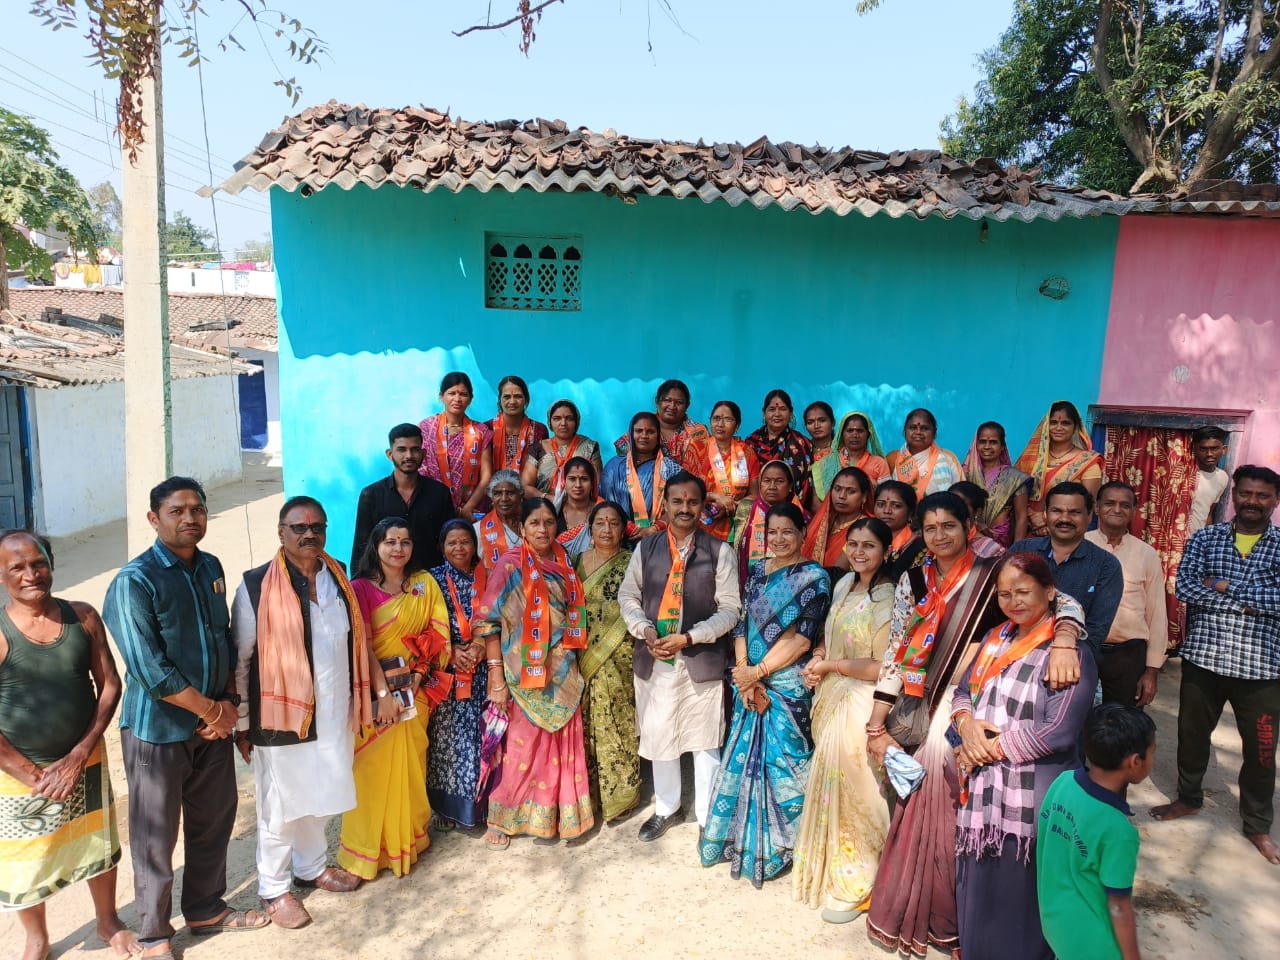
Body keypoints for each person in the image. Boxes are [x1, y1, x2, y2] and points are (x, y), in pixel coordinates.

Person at [861, 493, 1085, 956]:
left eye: (949, 525)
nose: (939, 536)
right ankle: (925, 911)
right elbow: (898, 650)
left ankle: (956, 918)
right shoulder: (914, 580)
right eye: (930, 528)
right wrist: (876, 724)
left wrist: (1065, 639)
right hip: (921, 699)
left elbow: (1062, 601)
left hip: (976, 693)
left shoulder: (993, 574)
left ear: (970, 526)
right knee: (912, 798)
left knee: (944, 796)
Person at [104, 478, 268, 958]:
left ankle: (205, 908)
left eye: (197, 509)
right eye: (177, 511)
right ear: (154, 519)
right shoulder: (134, 581)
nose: (190, 518)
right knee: (155, 836)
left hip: (213, 727)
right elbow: (149, 668)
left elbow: (223, 639)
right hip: (158, 731)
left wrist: (228, 705)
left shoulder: (210, 566)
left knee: (213, 820)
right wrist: (212, 710)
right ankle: (155, 934)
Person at [230, 497, 374, 929]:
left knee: (324, 794)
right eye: (299, 527)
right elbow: (241, 661)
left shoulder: (338, 576)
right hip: (281, 716)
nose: (309, 534)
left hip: (334, 712)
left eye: (317, 527)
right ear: (281, 532)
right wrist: (242, 723)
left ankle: (311, 867)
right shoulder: (256, 586)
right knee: (282, 805)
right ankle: (274, 889)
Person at [951, 552, 1098, 960]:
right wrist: (966, 725)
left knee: (1021, 888)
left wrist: (987, 748)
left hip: (1034, 792)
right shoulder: (995, 637)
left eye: (1023, 592)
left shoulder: (1069, 653)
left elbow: (1059, 730)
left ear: (1050, 592)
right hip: (983, 785)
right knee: (979, 877)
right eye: (1004, 594)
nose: (1013, 602)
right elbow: (963, 692)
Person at [0, 531, 139, 960]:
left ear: (52, 563)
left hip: (86, 760)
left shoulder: (83, 617)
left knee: (97, 843)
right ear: (1, 576)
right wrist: (33, 774)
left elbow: (110, 684)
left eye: (38, 563)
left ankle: (108, 921)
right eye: (17, 568)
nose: (30, 574)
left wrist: (80, 755)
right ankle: (37, 939)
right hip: (20, 774)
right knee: (24, 861)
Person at [1153, 464, 1280, 865]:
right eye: (1246, 493)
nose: (1252, 502)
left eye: (1262, 495)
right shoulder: (1206, 538)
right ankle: (1188, 798)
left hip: (1261, 668)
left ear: (1275, 501)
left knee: (1261, 749)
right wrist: (1253, 599)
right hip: (1204, 660)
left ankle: (1257, 824)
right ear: (1234, 496)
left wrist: (1222, 585)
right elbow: (1186, 586)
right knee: (1192, 736)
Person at [701, 502, 830, 885]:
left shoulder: (814, 578)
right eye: (772, 532)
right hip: (750, 678)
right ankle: (744, 841)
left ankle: (786, 846)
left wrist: (757, 673)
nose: (779, 538)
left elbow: (802, 640)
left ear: (803, 533)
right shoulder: (758, 571)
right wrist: (745, 674)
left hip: (785, 684)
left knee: (784, 763)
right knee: (743, 761)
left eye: (787, 531)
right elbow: (741, 624)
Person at [618, 472, 741, 841]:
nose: (685, 508)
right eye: (677, 501)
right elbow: (628, 596)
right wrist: (645, 630)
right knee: (660, 736)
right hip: (655, 657)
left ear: (703, 506)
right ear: (665, 505)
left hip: (699, 659)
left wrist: (689, 637)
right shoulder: (646, 549)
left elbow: (731, 609)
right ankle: (667, 808)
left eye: (692, 502)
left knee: (704, 742)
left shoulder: (720, 551)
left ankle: (707, 818)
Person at [474, 497, 595, 847]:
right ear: (522, 528)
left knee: (560, 745)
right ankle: (503, 817)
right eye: (534, 523)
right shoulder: (509, 566)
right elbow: (488, 623)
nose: (543, 529)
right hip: (521, 669)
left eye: (549, 522)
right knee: (521, 747)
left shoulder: (565, 563)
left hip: (563, 668)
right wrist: (496, 676)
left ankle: (558, 816)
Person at [792, 518, 896, 922]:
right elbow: (829, 634)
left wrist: (830, 666)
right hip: (832, 694)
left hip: (861, 701)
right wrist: (819, 657)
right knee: (833, 787)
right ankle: (834, 868)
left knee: (860, 792)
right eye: (853, 544)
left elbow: (883, 665)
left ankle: (862, 881)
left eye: (869, 545)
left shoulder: (887, 597)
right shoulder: (843, 584)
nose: (858, 552)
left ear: (886, 551)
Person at [338, 518, 450, 881]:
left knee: (412, 767)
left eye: (405, 541)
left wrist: (417, 678)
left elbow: (437, 632)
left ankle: (410, 840)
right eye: (390, 542)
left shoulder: (423, 584)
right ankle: (364, 855)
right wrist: (385, 695)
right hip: (376, 696)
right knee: (370, 774)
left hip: (416, 692)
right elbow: (362, 645)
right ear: (376, 546)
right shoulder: (360, 588)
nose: (398, 549)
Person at [1038, 704, 1156, 960]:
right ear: (1135, 761)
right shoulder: (1118, 831)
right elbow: (1119, 906)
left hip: (1055, 923)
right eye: (1152, 753)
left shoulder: (1063, 782)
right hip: (1093, 943)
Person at [575, 501, 641, 822]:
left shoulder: (633, 562)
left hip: (620, 656)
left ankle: (621, 796)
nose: (606, 529)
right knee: (585, 724)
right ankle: (589, 796)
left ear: (623, 529)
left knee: (617, 720)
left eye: (614, 523)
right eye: (600, 523)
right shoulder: (576, 561)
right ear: (590, 529)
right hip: (582, 654)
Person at [1010, 481, 1124, 660]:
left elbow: (1095, 632)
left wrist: (1060, 654)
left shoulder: (1106, 566)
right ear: (1045, 514)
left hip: (1070, 660)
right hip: (1014, 655)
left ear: (1089, 517)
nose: (1065, 519)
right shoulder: (1021, 551)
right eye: (1057, 511)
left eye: (1075, 512)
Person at [427, 520, 491, 829]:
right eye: (452, 542)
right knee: (446, 741)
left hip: (482, 670)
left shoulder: (488, 576)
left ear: (475, 545)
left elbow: (501, 616)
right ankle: (445, 808)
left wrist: (480, 646)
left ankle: (481, 809)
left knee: (482, 739)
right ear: (441, 547)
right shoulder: (430, 581)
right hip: (447, 673)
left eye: (465, 541)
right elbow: (423, 623)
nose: (459, 548)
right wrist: (451, 651)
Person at [1085, 482, 1168, 707]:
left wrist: (1151, 671)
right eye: (1109, 503)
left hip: (1127, 656)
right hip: (1083, 649)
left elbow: (1157, 614)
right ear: (1097, 507)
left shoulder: (1146, 554)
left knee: (1124, 722)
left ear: (1133, 511)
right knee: (1077, 720)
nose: (1117, 509)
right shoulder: (1081, 545)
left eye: (1125, 505)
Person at [351, 423, 455, 571]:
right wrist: (359, 583)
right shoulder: (371, 495)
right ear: (390, 454)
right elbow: (360, 548)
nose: (409, 456)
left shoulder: (439, 494)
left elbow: (449, 542)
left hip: (431, 580)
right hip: (385, 581)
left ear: (423, 453)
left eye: (415, 449)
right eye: (401, 450)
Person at [1015, 401, 1105, 537]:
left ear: (1075, 427)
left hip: (1066, 533)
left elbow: (1087, 506)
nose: (1058, 428)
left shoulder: (1087, 462)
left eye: (1065, 423)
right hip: (1025, 531)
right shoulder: (1031, 457)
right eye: (1053, 423)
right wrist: (1032, 518)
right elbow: (1015, 492)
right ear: (1046, 425)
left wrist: (1045, 518)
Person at [418, 371, 494, 519]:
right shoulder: (426, 428)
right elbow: (421, 471)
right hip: (433, 508)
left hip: (471, 510)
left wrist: (468, 508)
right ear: (441, 396)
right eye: (451, 393)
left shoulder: (481, 431)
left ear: (470, 398)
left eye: (463, 394)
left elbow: (486, 476)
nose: (457, 399)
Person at [686, 400, 760, 543]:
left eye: (727, 419)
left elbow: (755, 495)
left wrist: (730, 506)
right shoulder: (697, 449)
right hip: (700, 523)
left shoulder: (747, 453)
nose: (720, 424)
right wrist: (714, 496)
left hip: (737, 526)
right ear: (710, 422)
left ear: (737, 426)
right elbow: (684, 490)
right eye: (716, 418)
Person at [601, 412, 681, 534]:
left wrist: (654, 529)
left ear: (658, 436)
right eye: (639, 431)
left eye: (650, 432)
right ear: (631, 434)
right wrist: (628, 528)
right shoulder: (613, 466)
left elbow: (681, 503)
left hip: (659, 537)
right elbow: (602, 502)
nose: (644, 436)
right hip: (616, 535)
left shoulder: (670, 468)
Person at [962, 420, 1030, 546]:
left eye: (993, 442)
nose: (987, 446)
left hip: (1002, 543)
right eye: (982, 442)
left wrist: (1017, 549)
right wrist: (976, 524)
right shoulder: (965, 474)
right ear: (976, 444)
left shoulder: (1015, 478)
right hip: (970, 539)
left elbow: (1021, 516)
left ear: (1002, 447)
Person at [612, 379, 710, 467]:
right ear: (657, 401)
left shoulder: (698, 432)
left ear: (687, 405)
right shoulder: (643, 426)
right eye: (667, 400)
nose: (672, 406)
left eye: (679, 402)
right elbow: (622, 451)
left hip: (691, 482)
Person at [522, 399, 604, 500]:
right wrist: (549, 499)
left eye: (569, 418)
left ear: (576, 422)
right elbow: (525, 487)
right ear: (550, 422)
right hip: (545, 507)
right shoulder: (537, 448)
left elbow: (598, 485)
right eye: (557, 419)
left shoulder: (589, 447)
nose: (563, 423)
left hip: (581, 506)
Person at [737, 459, 800, 584]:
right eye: (767, 481)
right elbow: (735, 546)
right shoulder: (746, 509)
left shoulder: (800, 515)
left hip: (789, 584)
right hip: (749, 584)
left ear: (790, 486)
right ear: (760, 483)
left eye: (779, 481)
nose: (772, 487)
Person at [745, 389, 814, 496]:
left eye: (783, 409)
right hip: (755, 501)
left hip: (792, 503)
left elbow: (805, 484)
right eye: (772, 409)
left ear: (790, 413)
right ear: (764, 413)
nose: (777, 414)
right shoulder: (752, 442)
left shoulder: (801, 443)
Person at [803, 466, 872, 573]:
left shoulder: (865, 529)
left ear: (864, 497)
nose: (842, 496)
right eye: (837, 489)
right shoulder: (825, 522)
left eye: (851, 491)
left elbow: (838, 571)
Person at [812, 411, 890, 505]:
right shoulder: (826, 463)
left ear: (868, 434)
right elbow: (816, 503)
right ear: (842, 434)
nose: (855, 435)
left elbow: (886, 497)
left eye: (860, 431)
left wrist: (867, 481)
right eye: (850, 431)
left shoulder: (879, 463)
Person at [889, 407, 963, 497]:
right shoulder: (893, 458)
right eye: (913, 428)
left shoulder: (948, 458)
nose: (918, 432)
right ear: (905, 431)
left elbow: (960, 493)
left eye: (925, 428)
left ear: (934, 432)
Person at [489, 374, 548, 473]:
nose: (512, 401)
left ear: (526, 399)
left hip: (529, 482)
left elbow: (543, 470)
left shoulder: (539, 430)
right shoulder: (487, 429)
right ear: (500, 400)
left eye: (518, 396)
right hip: (493, 482)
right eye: (507, 397)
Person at [874, 479, 925, 582]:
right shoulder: (865, 539)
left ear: (910, 513)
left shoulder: (920, 547)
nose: (887, 511)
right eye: (881, 504)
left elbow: (917, 587)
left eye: (896, 506)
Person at [474, 469, 523, 570]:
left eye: (510, 493)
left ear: (520, 496)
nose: (504, 499)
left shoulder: (530, 524)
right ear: (491, 497)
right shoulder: (478, 530)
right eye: (498, 493)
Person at [556, 457, 603, 556]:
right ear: (564, 482)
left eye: (584, 479)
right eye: (572, 479)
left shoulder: (603, 510)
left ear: (592, 483)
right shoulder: (554, 511)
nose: (578, 485)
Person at [1187, 425, 1230, 534]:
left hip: (1196, 539)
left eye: (1214, 449)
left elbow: (1208, 513)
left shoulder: (1222, 478)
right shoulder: (1183, 474)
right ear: (1194, 449)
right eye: (1203, 449)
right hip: (1173, 538)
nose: (1209, 454)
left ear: (1224, 449)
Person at [949, 481, 1005, 558]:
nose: (953, 510)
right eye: (949, 504)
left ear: (977, 512)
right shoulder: (939, 540)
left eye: (961, 505)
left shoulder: (990, 550)